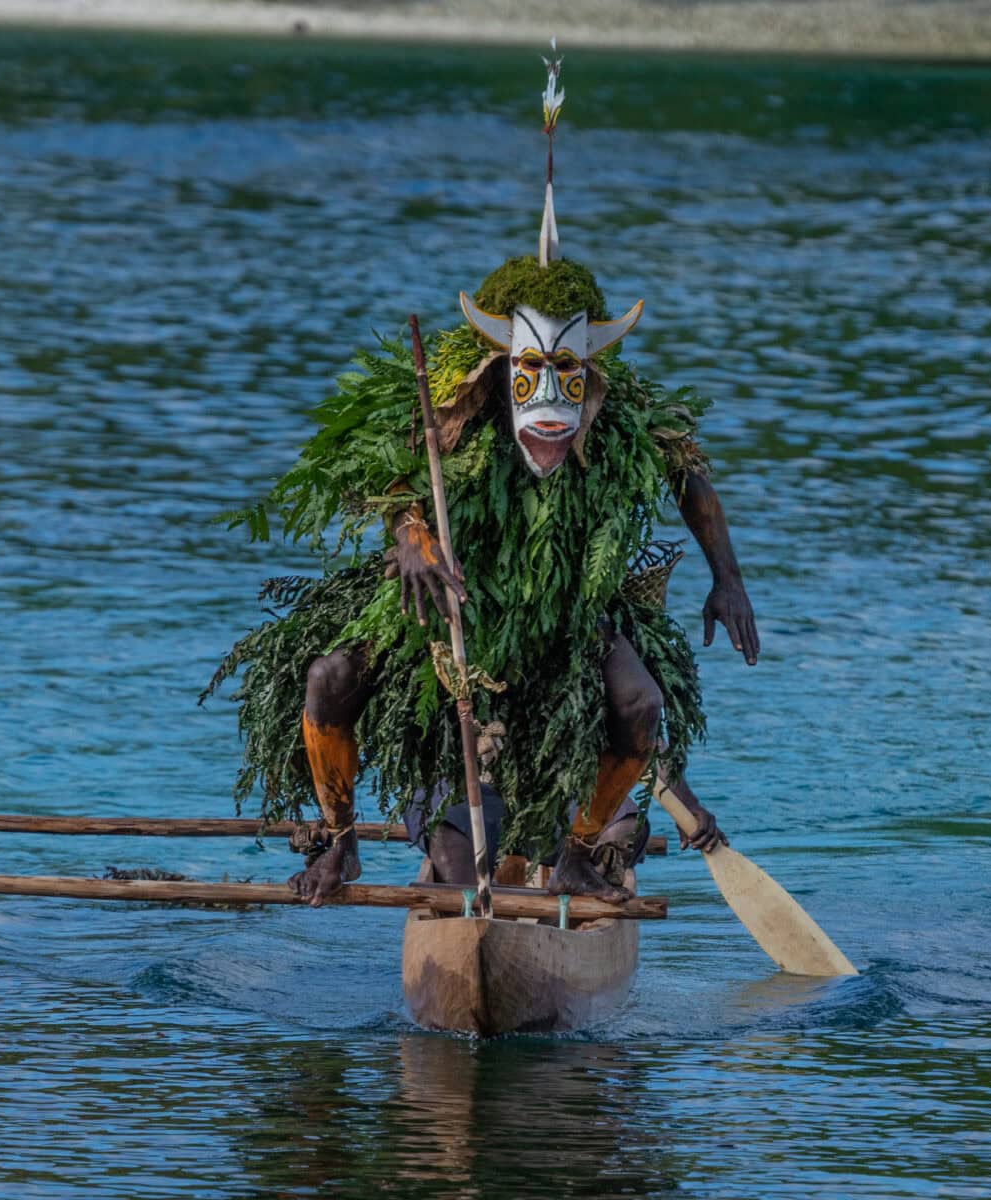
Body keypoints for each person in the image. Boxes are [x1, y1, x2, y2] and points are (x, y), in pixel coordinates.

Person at [206, 50, 756, 904]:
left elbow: (686, 469)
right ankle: (343, 842)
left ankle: (577, 851)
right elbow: (397, 491)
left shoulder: (614, 426)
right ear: (501, 374)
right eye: (531, 376)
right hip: (451, 617)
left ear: (592, 381)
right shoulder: (456, 424)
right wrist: (415, 546)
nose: (550, 402)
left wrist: (727, 577)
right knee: (328, 680)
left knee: (641, 705)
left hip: (569, 622)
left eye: (570, 379)